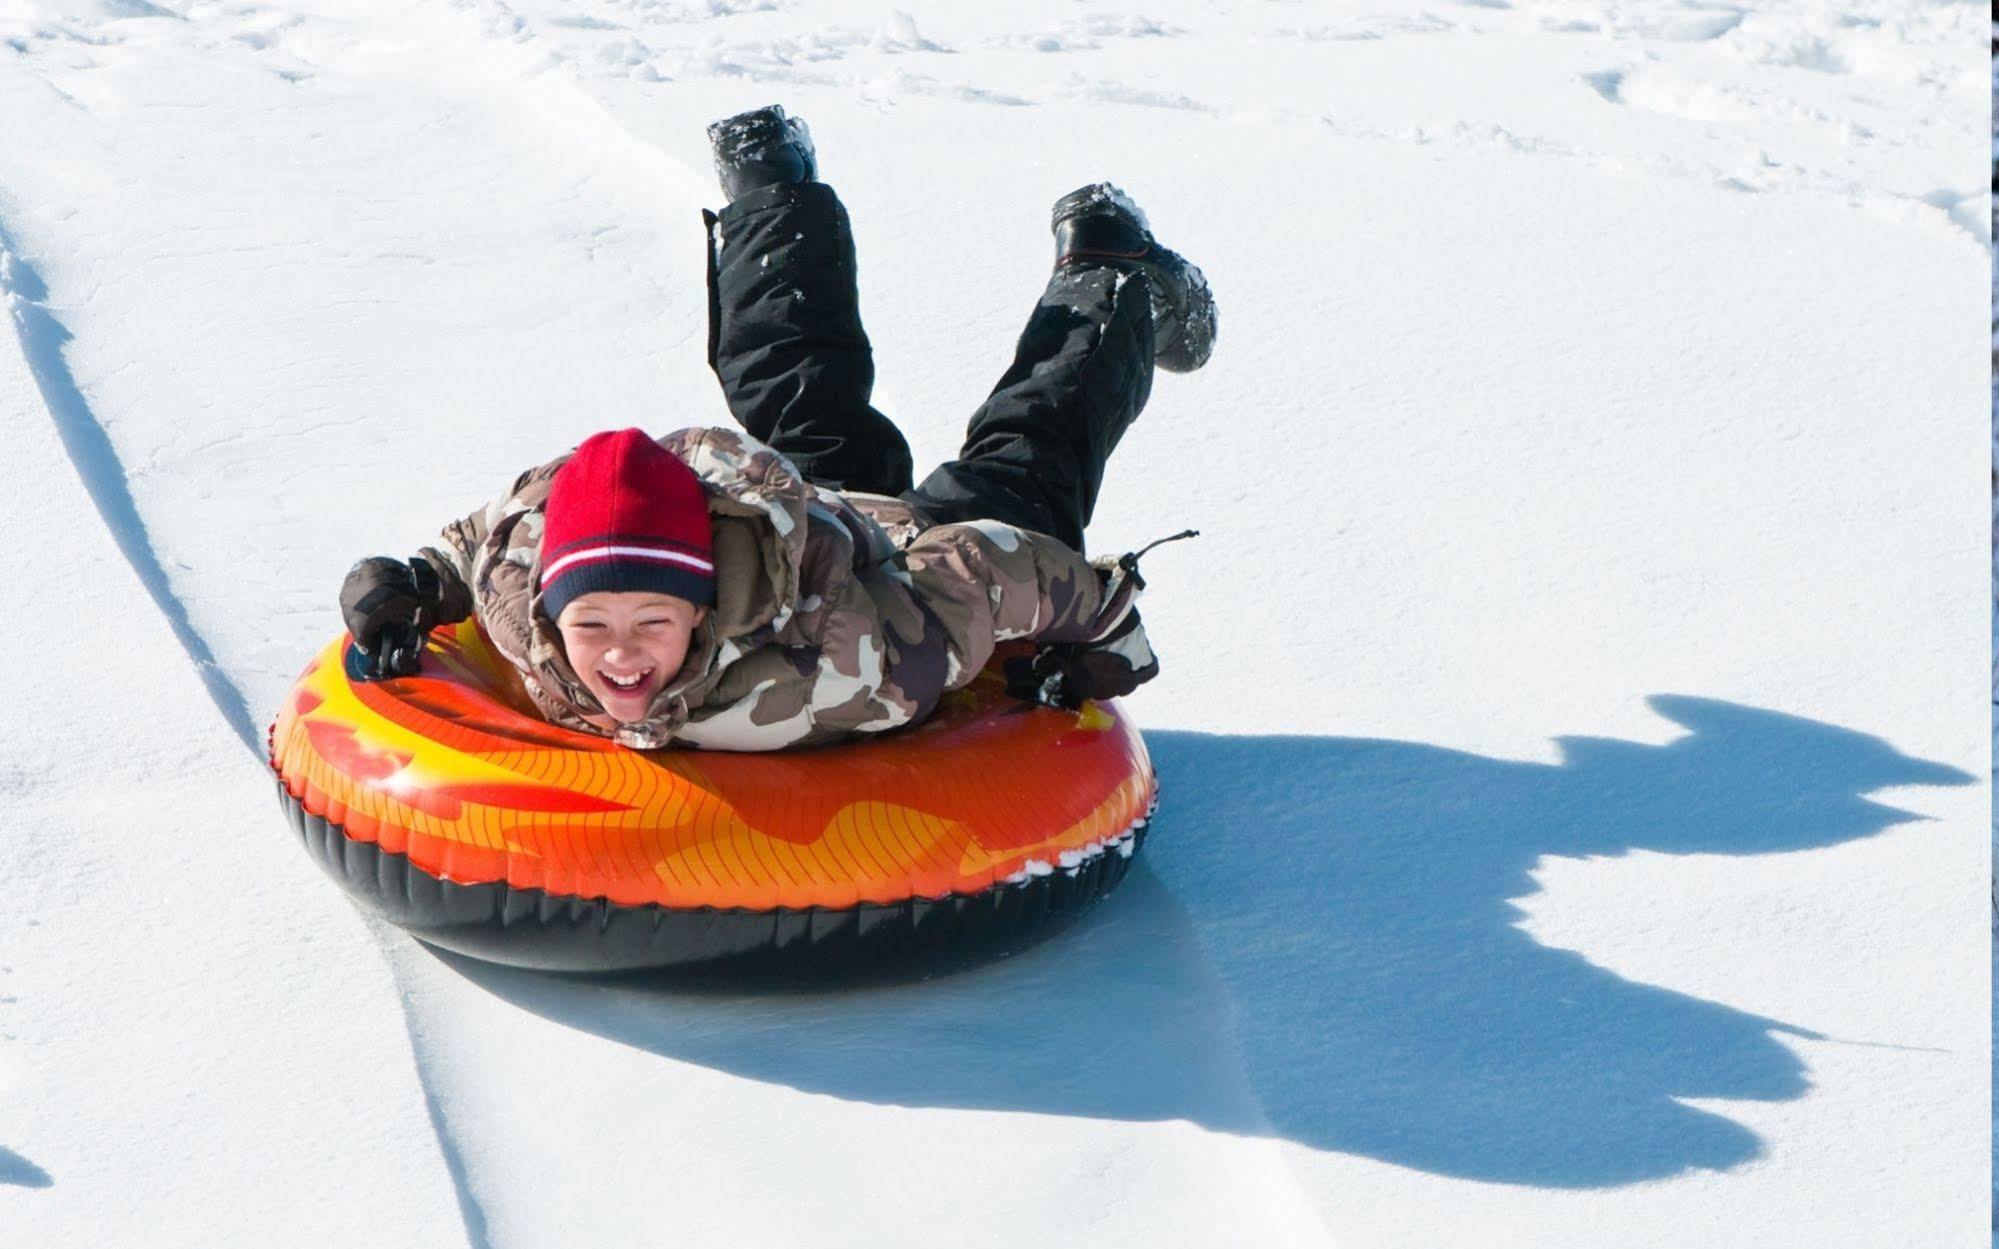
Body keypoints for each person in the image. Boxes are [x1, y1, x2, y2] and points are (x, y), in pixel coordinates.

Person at [337, 104, 1216, 751]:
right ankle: (770, 189)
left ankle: (1110, 265)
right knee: (790, 391)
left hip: (908, 567)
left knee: (1029, 455)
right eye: (592, 623)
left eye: (651, 620)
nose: (621, 655)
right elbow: (490, 543)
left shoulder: (845, 666)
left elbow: (988, 569)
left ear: (702, 604)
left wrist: (1109, 635)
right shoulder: (518, 600)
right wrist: (409, 582)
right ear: (548, 611)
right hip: (796, 513)